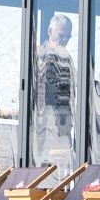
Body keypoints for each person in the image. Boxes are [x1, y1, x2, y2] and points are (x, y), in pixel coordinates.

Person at [34, 12, 76, 162]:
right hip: (43, 120)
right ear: (50, 31)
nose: (64, 40)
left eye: (67, 36)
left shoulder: (67, 58)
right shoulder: (39, 54)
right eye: (61, 35)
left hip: (63, 120)